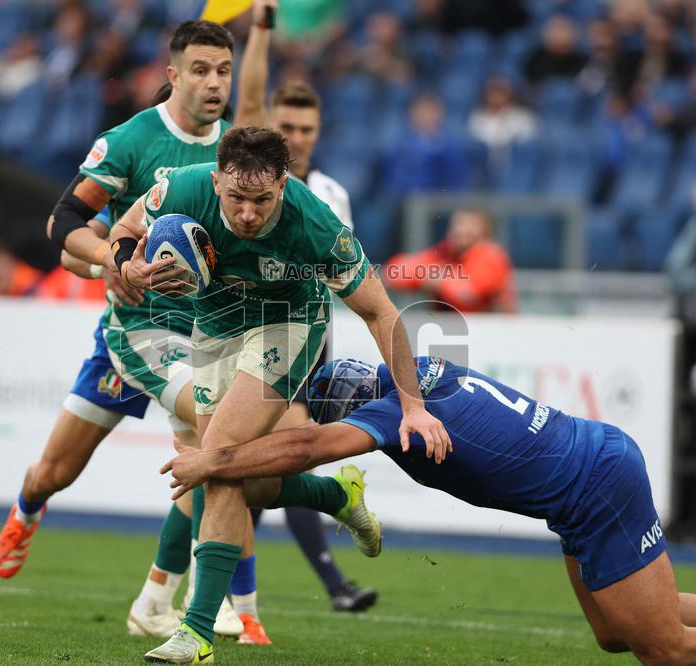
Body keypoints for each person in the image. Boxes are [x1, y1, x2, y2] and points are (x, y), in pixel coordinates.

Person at [161, 356, 696, 666]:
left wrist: (212, 461)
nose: (346, 425)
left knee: (664, 651)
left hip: (595, 484)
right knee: (615, 634)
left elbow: (307, 447)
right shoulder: (421, 374)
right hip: (590, 469)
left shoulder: (389, 415)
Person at [112, 126, 447, 663]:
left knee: (216, 457)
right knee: (254, 484)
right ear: (217, 181)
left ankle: (197, 632)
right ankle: (337, 497)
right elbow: (126, 227)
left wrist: (413, 405)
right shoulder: (182, 188)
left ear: (284, 186)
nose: (248, 214)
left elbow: (381, 311)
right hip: (214, 325)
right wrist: (129, 265)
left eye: (262, 200)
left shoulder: (316, 225)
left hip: (287, 325)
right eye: (236, 198)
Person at [0, 19, 246, 642]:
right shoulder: (131, 141)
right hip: (136, 333)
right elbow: (64, 222)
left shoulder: (236, 148)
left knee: (210, 439)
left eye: (223, 71)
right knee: (55, 472)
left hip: (204, 332)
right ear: (173, 75)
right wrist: (113, 258)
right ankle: (27, 508)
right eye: (200, 70)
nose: (213, 83)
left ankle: (174, 598)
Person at [229, 0, 376, 629]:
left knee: (259, 465)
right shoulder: (246, 186)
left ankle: (225, 606)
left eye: (307, 130)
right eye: (286, 126)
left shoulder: (331, 196)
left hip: (299, 340)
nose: (297, 138)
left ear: (318, 134)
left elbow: (344, 278)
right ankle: (227, 601)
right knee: (241, 470)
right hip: (232, 332)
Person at [384, 208, 516, 313]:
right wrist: (426, 276)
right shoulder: (445, 253)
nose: (460, 231)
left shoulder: (491, 256)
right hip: (449, 333)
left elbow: (471, 294)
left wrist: (441, 280)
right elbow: (392, 273)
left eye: (468, 231)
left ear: (483, 234)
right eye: (456, 228)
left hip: (494, 333)